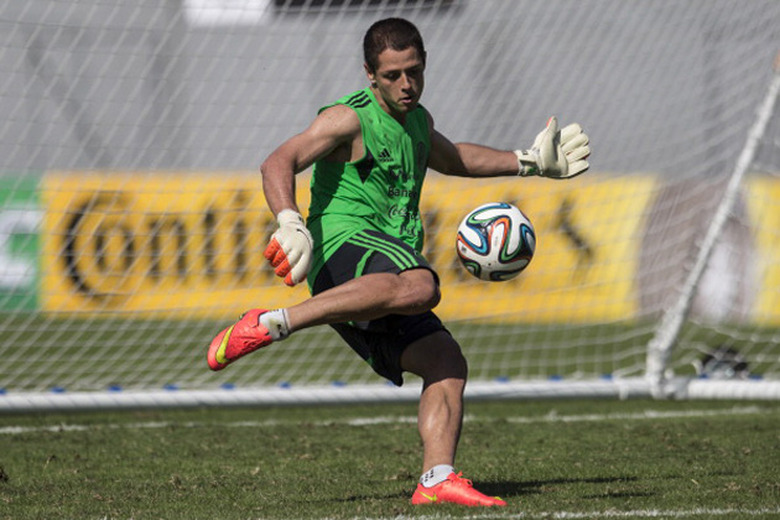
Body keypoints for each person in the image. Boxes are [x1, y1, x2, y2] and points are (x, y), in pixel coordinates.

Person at [207, 17, 589, 507]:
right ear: (370, 74)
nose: (406, 84)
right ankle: (273, 323)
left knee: (445, 361)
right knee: (421, 285)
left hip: (371, 278)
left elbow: (454, 159)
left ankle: (436, 479)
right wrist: (289, 220)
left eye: (413, 71)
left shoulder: (418, 122)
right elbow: (278, 161)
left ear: (424, 64)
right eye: (392, 75)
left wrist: (530, 162)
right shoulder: (350, 118)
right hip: (343, 249)